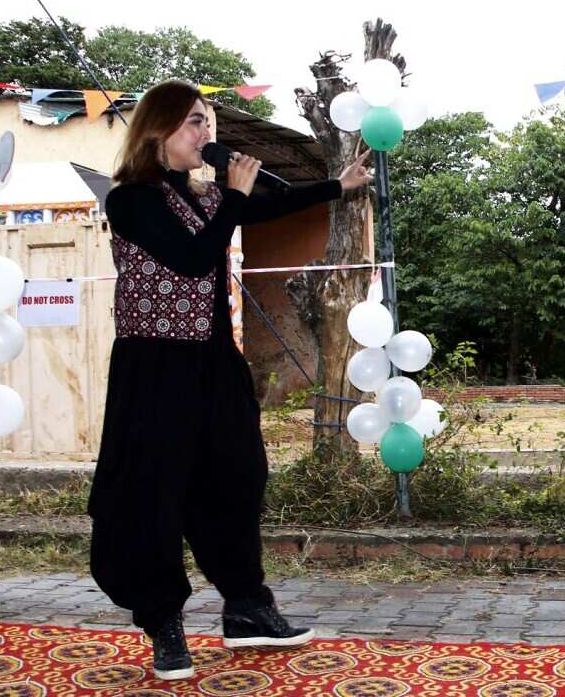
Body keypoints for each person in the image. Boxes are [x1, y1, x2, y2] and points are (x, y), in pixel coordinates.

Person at [86, 80, 372, 681]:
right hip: (154, 367)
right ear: (159, 129)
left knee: (237, 477)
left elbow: (269, 204)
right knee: (156, 494)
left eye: (208, 124)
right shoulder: (130, 199)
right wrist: (234, 198)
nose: (206, 135)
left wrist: (336, 186)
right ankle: (164, 622)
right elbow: (192, 258)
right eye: (195, 123)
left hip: (213, 362)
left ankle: (246, 607)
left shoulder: (203, 197)